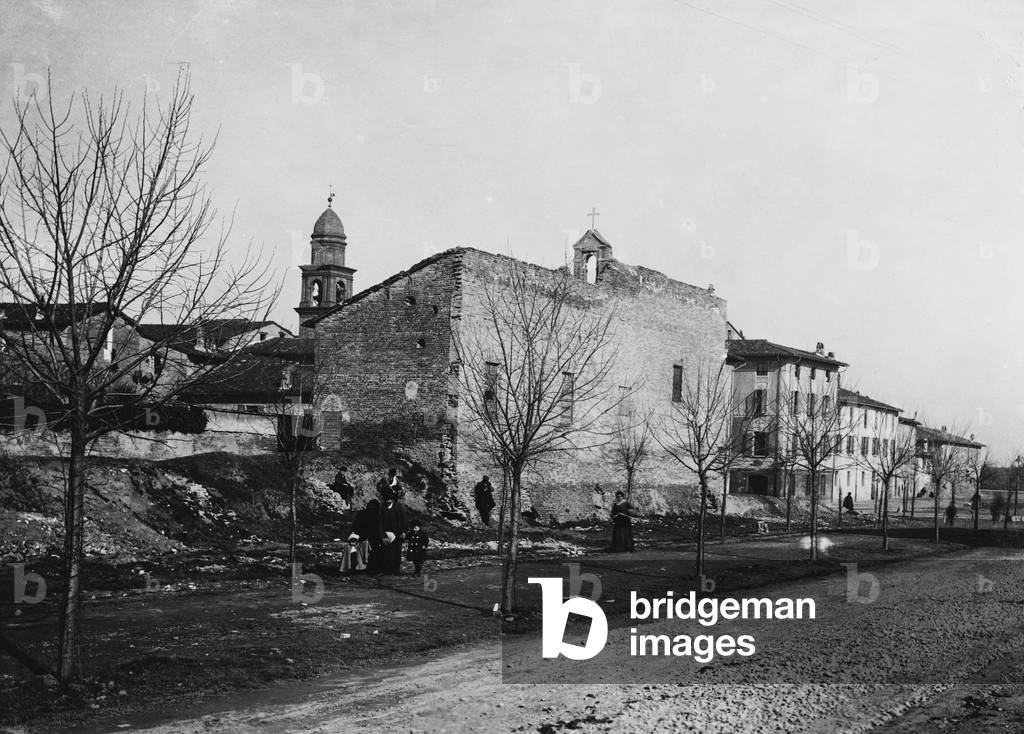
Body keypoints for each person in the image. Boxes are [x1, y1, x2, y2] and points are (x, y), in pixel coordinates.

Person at [352, 500, 383, 574]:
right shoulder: (362, 514)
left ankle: (373, 568)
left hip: (375, 537)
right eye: (371, 506)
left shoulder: (379, 515)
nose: (372, 508)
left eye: (374, 507)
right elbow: (357, 526)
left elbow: (380, 527)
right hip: (363, 536)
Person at [379, 497, 408, 574]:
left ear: (392, 500)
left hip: (398, 533)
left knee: (397, 552)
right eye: (386, 499)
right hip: (387, 534)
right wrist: (382, 535)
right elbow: (379, 523)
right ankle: (387, 570)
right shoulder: (381, 508)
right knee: (387, 552)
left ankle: (396, 569)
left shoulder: (398, 508)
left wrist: (404, 532)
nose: (387, 501)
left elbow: (404, 520)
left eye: (389, 499)